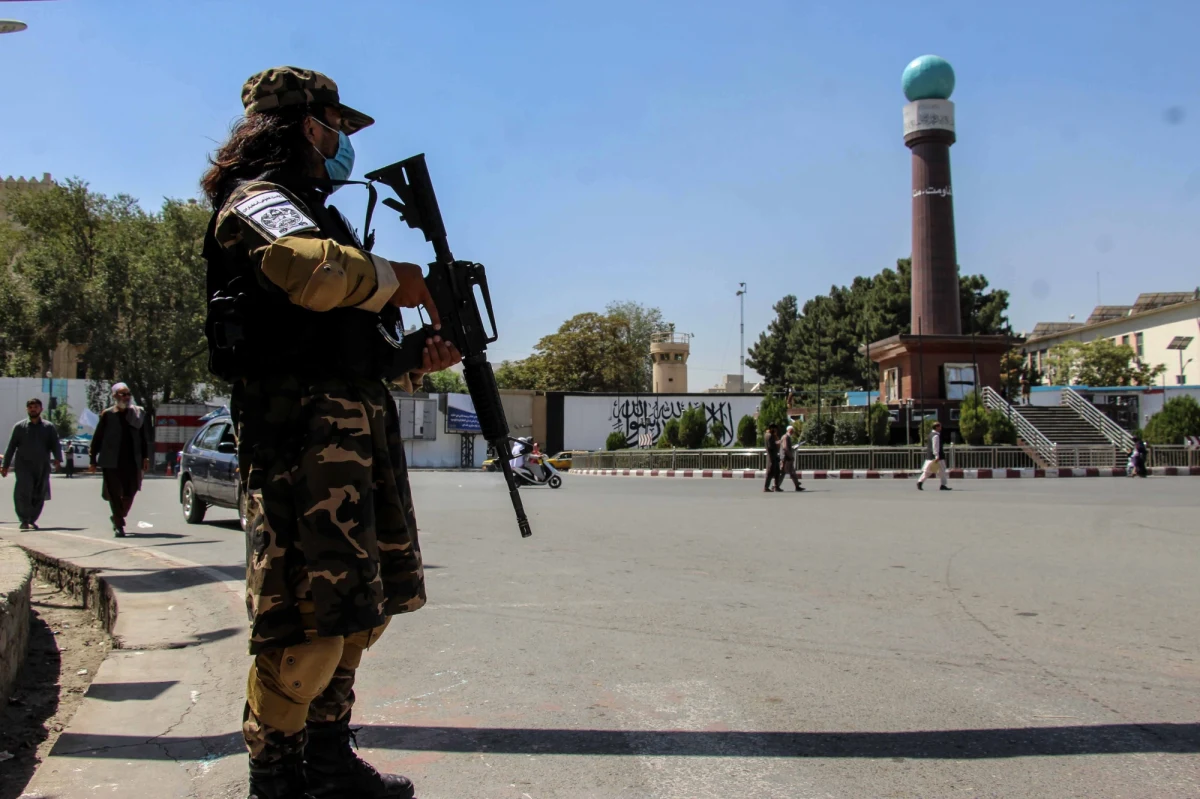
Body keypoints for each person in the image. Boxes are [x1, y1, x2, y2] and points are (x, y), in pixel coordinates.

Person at [200, 66, 461, 799]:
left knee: (357, 615)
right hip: (297, 445)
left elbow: (351, 343)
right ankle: (275, 771)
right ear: (302, 126)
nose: (342, 143)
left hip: (352, 437)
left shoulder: (323, 213)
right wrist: (399, 279)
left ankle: (325, 754)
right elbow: (305, 273)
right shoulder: (256, 202)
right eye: (335, 127)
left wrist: (413, 356)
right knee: (306, 628)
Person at [89, 383, 153, 537]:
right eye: (122, 394)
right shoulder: (108, 415)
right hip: (111, 461)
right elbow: (98, 438)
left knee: (130, 492)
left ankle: (118, 515)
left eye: (127, 394)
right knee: (114, 492)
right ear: (115, 396)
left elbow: (144, 438)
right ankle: (119, 524)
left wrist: (145, 456)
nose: (126, 397)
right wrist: (92, 459)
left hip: (133, 460)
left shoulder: (138, 413)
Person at [2, 398, 62, 530]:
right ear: (27, 409)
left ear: (41, 409)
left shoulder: (48, 427)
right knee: (23, 492)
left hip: (42, 466)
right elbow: (11, 447)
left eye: (35, 407)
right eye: (30, 407)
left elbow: (55, 444)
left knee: (39, 493)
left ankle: (32, 519)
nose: (33, 409)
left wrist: (58, 459)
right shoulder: (19, 427)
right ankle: (24, 519)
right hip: (23, 467)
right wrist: (5, 465)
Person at [917, 421, 951, 491]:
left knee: (928, 471)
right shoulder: (936, 436)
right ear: (937, 427)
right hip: (937, 458)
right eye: (940, 426)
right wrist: (937, 456)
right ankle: (943, 485)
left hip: (930, 457)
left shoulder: (930, 434)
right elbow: (935, 447)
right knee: (941, 471)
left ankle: (920, 482)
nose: (941, 428)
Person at [775, 424, 804, 492]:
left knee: (792, 472)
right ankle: (776, 486)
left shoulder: (786, 437)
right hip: (786, 458)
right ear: (790, 430)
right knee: (783, 472)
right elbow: (785, 448)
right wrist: (790, 456)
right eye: (792, 431)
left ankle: (797, 485)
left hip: (787, 457)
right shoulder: (786, 437)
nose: (793, 432)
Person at [763, 423, 781, 492]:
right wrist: (778, 443)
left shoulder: (769, 435)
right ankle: (766, 487)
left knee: (777, 472)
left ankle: (776, 486)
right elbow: (771, 446)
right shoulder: (770, 435)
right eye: (775, 428)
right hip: (772, 457)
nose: (776, 430)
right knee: (770, 472)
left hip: (773, 456)